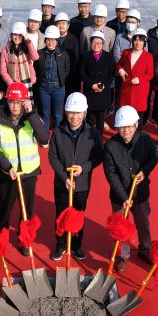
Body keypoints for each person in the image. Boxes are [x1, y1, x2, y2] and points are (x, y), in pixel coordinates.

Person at [48, 92, 104, 261]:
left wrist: (84, 168)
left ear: (84, 113)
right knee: (61, 213)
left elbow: (98, 156)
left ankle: (77, 244)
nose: (74, 116)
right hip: (62, 183)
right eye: (71, 112)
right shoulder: (58, 132)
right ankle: (60, 244)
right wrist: (64, 177)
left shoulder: (93, 133)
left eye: (78, 112)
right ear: (65, 112)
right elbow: (52, 157)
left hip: (82, 184)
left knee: (78, 215)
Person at [103, 106, 158, 272]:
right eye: (122, 127)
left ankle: (145, 249)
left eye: (129, 126)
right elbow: (111, 174)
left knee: (143, 222)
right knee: (120, 227)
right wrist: (123, 197)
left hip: (140, 194)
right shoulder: (110, 146)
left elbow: (154, 157)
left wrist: (144, 172)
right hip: (119, 196)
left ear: (136, 125)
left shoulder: (146, 140)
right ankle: (122, 255)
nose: (126, 130)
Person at [0, 82, 48, 254]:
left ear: (25, 101)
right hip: (8, 173)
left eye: (18, 102)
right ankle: (1, 240)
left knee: (27, 211)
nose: (15, 106)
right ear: (7, 101)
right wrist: (6, 166)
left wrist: (31, 113)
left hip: (29, 172)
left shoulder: (32, 117)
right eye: (12, 102)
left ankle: (24, 239)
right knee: (4, 210)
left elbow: (44, 138)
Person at [78, 31, 115, 135]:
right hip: (90, 92)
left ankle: (99, 139)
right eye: (94, 42)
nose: (97, 45)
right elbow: (82, 73)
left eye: (99, 43)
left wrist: (104, 85)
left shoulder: (108, 56)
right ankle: (88, 139)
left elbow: (112, 73)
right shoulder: (85, 56)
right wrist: (92, 85)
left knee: (100, 120)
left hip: (103, 93)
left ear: (103, 44)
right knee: (89, 119)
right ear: (90, 43)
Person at [116, 28, 154, 128]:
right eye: (136, 40)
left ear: (144, 42)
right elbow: (119, 64)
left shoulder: (148, 56)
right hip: (127, 88)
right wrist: (120, 69)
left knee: (138, 116)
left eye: (141, 40)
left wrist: (140, 79)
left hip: (140, 90)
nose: (138, 43)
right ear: (132, 41)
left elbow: (150, 74)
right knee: (126, 114)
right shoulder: (126, 53)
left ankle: (137, 134)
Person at [35, 25, 70, 133]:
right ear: (45, 40)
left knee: (57, 114)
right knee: (45, 113)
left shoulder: (63, 54)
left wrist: (61, 80)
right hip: (44, 88)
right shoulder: (39, 53)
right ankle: (44, 136)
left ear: (57, 41)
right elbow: (36, 69)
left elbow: (67, 69)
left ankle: (57, 136)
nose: (51, 42)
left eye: (53, 40)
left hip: (58, 88)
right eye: (48, 40)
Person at [0, 21, 40, 105]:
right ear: (11, 35)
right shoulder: (5, 50)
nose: (17, 37)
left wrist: (28, 42)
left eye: (20, 35)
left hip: (26, 83)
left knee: (26, 107)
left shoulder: (27, 48)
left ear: (23, 36)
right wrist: (12, 84)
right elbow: (3, 71)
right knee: (14, 106)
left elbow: (35, 57)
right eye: (15, 35)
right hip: (12, 84)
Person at [55, 12, 80, 99]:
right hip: (55, 76)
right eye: (59, 23)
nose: (61, 25)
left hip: (69, 76)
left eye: (63, 23)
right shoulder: (52, 39)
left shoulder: (73, 39)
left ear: (68, 25)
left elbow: (75, 59)